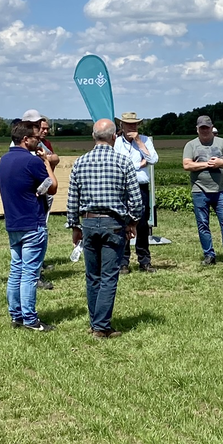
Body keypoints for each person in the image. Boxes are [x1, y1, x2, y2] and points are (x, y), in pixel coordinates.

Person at [67, 118, 144, 337]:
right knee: (109, 276)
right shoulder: (123, 161)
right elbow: (136, 200)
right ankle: (101, 326)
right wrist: (133, 222)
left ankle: (96, 323)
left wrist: (74, 225)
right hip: (114, 224)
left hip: (89, 222)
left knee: (92, 276)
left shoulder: (80, 162)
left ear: (93, 136)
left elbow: (72, 198)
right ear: (114, 137)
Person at [0, 121, 58, 331]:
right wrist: (46, 163)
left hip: (13, 222)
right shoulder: (32, 161)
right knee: (30, 274)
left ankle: (16, 314)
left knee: (16, 270)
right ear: (25, 139)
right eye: (36, 138)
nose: (39, 141)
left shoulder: (4, 159)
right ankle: (30, 319)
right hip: (33, 223)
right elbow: (53, 187)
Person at [182, 115, 223, 265]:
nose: (205, 130)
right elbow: (187, 165)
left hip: (220, 191)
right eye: (202, 128)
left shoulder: (221, 143)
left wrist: (220, 162)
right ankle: (209, 255)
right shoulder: (191, 145)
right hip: (199, 190)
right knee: (203, 224)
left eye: (207, 127)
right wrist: (207, 164)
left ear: (211, 128)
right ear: (197, 129)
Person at [114, 111, 158, 273]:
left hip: (141, 187)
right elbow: (117, 165)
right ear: (122, 125)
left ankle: (144, 260)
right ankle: (123, 261)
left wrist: (139, 142)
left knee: (142, 224)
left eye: (134, 124)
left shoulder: (145, 140)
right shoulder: (116, 142)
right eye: (128, 124)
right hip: (122, 187)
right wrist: (139, 165)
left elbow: (153, 160)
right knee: (122, 223)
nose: (131, 127)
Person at [22, 109, 60, 290]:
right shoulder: (26, 145)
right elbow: (51, 181)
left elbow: (56, 158)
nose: (42, 131)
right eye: (38, 126)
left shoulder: (42, 143)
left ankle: (36, 267)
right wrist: (46, 161)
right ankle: (34, 275)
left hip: (41, 191)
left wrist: (47, 159)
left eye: (43, 127)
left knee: (40, 230)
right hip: (34, 194)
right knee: (35, 233)